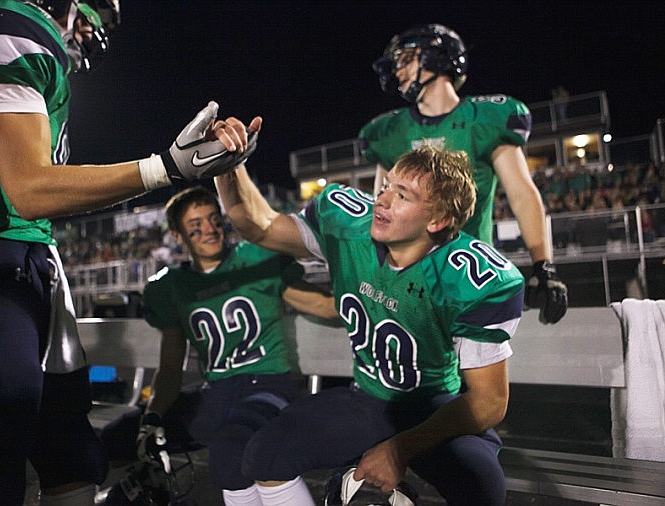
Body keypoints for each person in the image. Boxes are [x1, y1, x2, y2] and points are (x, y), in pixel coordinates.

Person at [0, 1, 261, 504]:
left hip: (33, 259)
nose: (96, 33)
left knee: (71, 456)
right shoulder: (0, 25)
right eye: (96, 14)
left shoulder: (23, 39)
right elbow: (29, 187)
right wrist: (165, 169)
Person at [215, 145, 525, 505]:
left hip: (432, 404)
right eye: (386, 187)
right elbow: (259, 226)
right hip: (367, 395)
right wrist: (229, 166)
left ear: (437, 221)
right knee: (263, 456)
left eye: (402, 195)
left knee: (482, 489)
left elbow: (489, 402)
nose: (382, 200)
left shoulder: (470, 277)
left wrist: (401, 448)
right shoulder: (350, 229)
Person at [126, 186, 337, 506]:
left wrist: (372, 290)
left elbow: (324, 305)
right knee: (118, 438)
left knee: (230, 450)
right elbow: (170, 368)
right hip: (216, 395)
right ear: (178, 236)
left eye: (213, 219)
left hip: (266, 384)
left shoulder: (255, 259)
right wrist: (152, 416)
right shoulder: (171, 287)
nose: (210, 230)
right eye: (196, 225)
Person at [360, 23, 567, 325]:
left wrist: (543, 265)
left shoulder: (483, 120)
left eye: (406, 60)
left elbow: (522, 194)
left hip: (467, 279)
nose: (398, 71)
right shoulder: (389, 131)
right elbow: (379, 207)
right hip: (406, 284)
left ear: (437, 58)